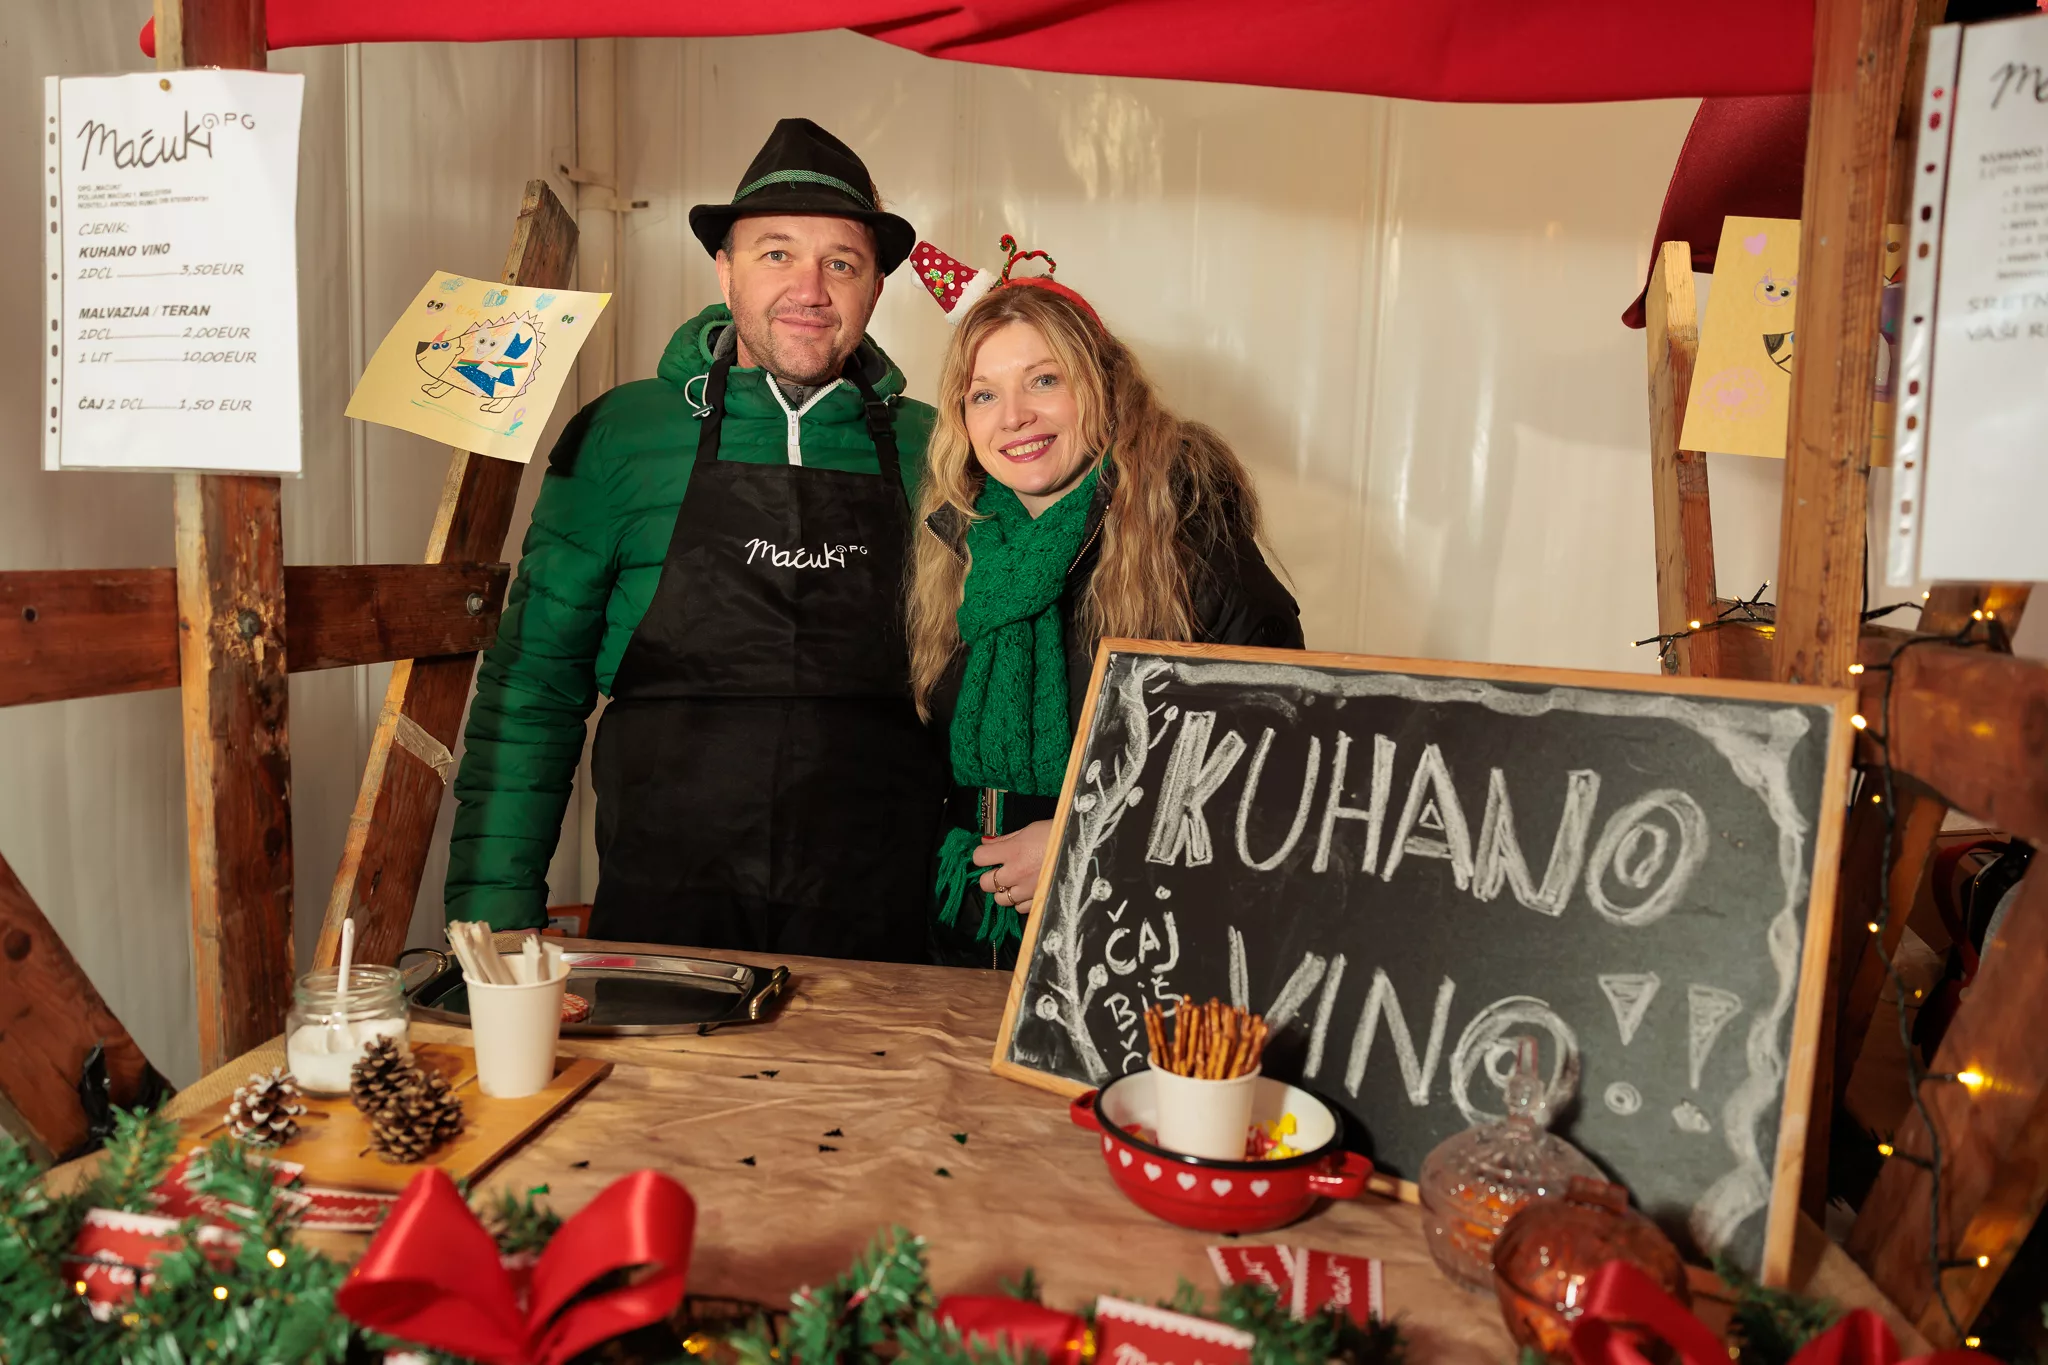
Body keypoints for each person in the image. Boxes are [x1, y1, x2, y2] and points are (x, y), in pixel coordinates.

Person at [445, 118, 946, 961]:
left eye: (841, 263)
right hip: (664, 929)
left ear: (875, 286)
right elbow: (532, 690)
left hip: (886, 931)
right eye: (777, 253)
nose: (810, 288)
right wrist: (496, 922)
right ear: (725, 269)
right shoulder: (618, 436)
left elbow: (997, 680)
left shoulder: (938, 446)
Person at [903, 239, 1303, 970]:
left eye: (1044, 380)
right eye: (984, 394)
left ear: (1105, 389)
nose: (1013, 416)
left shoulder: (1189, 544)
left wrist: (1080, 843)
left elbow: (1270, 770)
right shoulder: (960, 550)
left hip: (1130, 947)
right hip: (966, 941)